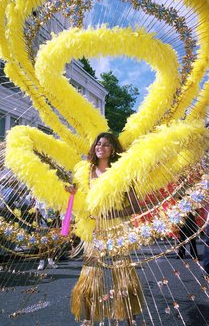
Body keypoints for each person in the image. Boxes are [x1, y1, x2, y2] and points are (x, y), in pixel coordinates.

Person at [66, 132, 144, 326]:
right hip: (94, 230)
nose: (101, 147)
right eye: (98, 143)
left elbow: (136, 205)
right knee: (90, 275)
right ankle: (88, 318)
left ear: (113, 150)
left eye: (106, 145)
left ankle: (130, 318)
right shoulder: (85, 172)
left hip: (116, 228)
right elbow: (79, 201)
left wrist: (115, 214)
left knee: (123, 273)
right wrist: (71, 193)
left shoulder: (121, 173)